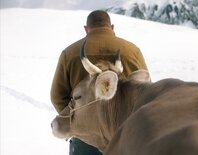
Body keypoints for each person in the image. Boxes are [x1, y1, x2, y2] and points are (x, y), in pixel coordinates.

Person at [50, 10, 148, 155]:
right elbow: (145, 91)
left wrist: (79, 122)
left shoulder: (69, 53)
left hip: (84, 139)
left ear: (86, 29)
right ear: (112, 27)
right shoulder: (133, 51)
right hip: (126, 137)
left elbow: (57, 96)